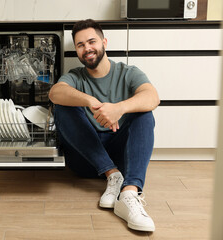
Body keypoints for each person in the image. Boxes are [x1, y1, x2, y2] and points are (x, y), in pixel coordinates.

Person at [49, 19, 160, 232]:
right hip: (85, 160)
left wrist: (119, 108)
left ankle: (129, 192)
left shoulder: (127, 72)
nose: (87, 48)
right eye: (80, 45)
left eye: (91, 42)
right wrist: (91, 102)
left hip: (122, 156)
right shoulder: (75, 77)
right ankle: (112, 175)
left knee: (144, 112)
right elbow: (55, 93)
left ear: (104, 42)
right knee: (62, 106)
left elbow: (153, 97)